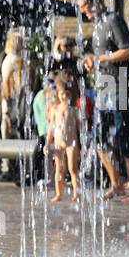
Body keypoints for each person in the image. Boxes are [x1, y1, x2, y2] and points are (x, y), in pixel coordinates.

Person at [79, 0, 129, 199]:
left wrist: (101, 59)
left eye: (85, 6)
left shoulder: (113, 20)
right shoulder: (97, 25)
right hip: (103, 88)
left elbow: (128, 50)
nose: (84, 12)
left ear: (97, 1)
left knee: (124, 137)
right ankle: (116, 182)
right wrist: (92, 61)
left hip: (118, 86)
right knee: (97, 138)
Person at [47, 70, 82, 203]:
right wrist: (47, 143)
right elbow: (51, 128)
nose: (64, 96)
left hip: (71, 143)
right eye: (62, 94)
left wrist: (82, 143)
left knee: (73, 169)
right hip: (58, 142)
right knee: (59, 170)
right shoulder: (55, 109)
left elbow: (79, 127)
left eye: (67, 94)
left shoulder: (73, 110)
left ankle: (76, 193)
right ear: (58, 93)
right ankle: (58, 193)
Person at [0, 30, 28, 139]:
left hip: (6, 90)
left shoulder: (7, 57)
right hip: (11, 90)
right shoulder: (14, 58)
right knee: (10, 116)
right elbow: (17, 78)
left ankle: (5, 140)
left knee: (5, 116)